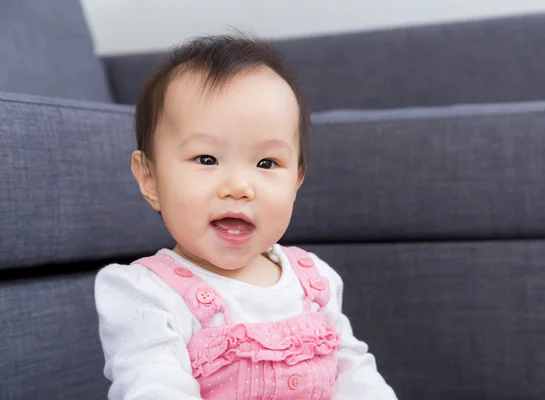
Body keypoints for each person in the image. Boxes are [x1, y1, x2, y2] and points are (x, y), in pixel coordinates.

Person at [95, 35, 397, 400]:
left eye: (267, 163)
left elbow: (353, 372)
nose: (239, 187)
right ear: (150, 178)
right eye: (206, 159)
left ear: (297, 180)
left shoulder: (314, 282)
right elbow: (153, 386)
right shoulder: (147, 295)